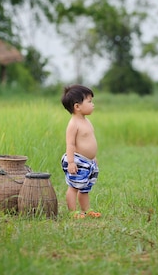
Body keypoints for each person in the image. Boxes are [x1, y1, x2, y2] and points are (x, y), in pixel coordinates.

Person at [60, 84, 101, 218]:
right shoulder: (73, 124)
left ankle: (86, 209)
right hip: (77, 161)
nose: (92, 104)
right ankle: (73, 211)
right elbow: (70, 144)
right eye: (89, 101)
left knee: (85, 188)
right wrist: (71, 162)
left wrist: (93, 157)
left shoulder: (86, 121)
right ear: (77, 106)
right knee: (74, 187)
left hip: (88, 162)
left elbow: (89, 140)